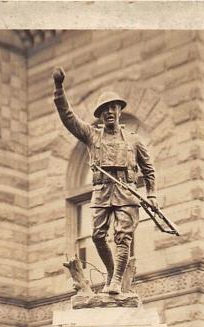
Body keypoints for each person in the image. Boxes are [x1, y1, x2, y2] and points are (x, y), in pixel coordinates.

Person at [52, 66, 158, 295]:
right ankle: (113, 273)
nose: (109, 112)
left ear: (119, 110)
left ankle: (117, 281)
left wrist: (151, 194)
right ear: (100, 114)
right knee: (98, 236)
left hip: (127, 191)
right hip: (102, 190)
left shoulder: (134, 140)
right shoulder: (92, 135)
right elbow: (68, 118)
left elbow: (149, 170)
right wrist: (59, 89)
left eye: (113, 107)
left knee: (122, 236)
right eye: (104, 109)